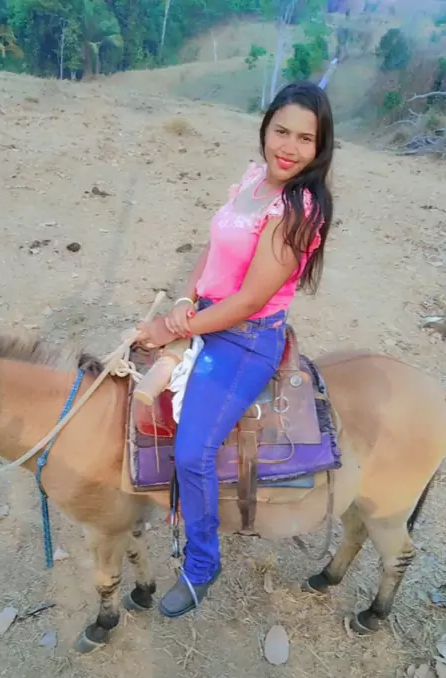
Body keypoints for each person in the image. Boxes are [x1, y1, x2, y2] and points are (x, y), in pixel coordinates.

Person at [135, 81, 334, 619]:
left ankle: (202, 563)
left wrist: (173, 328)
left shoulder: (297, 209)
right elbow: (214, 246)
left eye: (306, 139)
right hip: (206, 312)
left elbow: (249, 300)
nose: (289, 147)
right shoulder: (254, 179)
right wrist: (184, 299)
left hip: (245, 338)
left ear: (320, 147)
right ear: (266, 128)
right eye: (282, 131)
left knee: (192, 450)